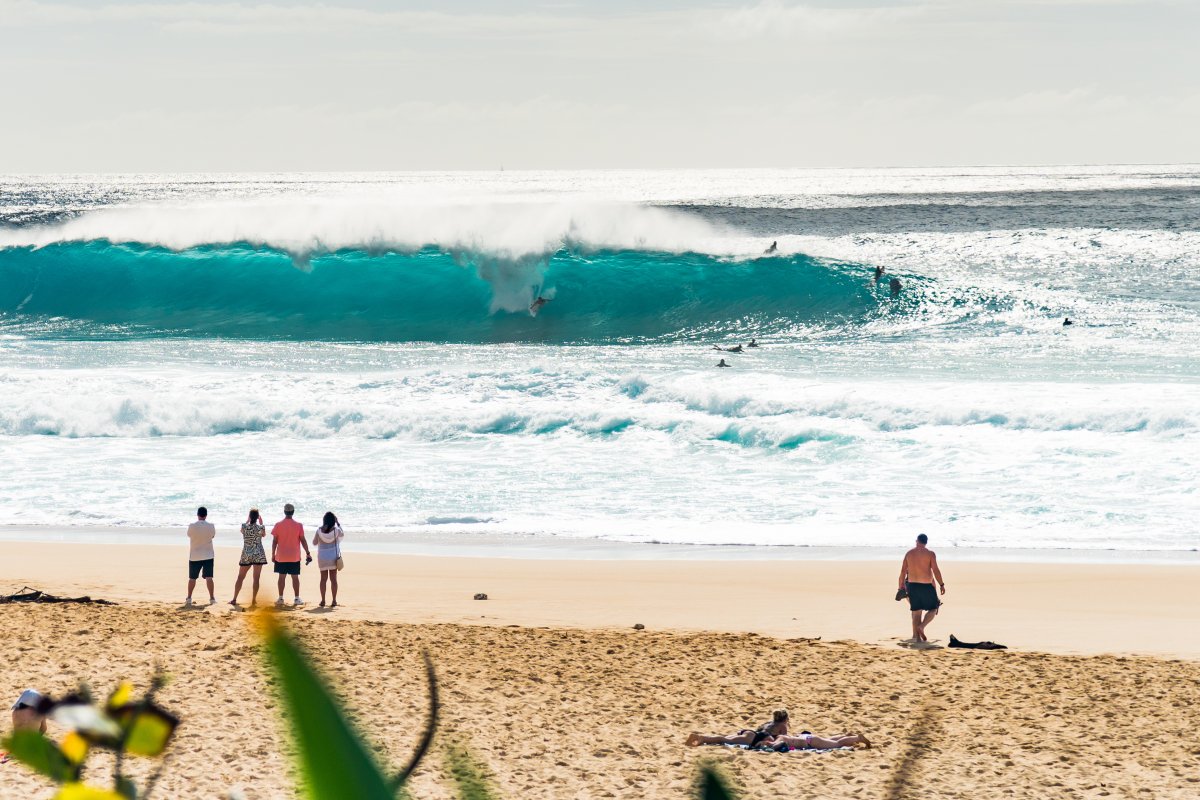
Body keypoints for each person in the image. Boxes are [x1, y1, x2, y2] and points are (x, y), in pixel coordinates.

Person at [899, 533, 945, 643]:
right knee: (934, 608)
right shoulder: (930, 554)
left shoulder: (909, 553)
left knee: (916, 612)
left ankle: (917, 638)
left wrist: (900, 587)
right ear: (926, 542)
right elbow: (935, 570)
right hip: (926, 586)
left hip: (912, 586)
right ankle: (922, 627)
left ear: (917, 541)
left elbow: (903, 572)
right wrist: (941, 584)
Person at [271, 503, 311, 607]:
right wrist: (308, 553)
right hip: (294, 556)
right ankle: (297, 598)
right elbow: (303, 540)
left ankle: (280, 598)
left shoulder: (278, 525)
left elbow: (274, 541)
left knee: (281, 577)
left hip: (281, 556)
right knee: (295, 577)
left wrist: (273, 554)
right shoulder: (299, 525)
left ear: (284, 512)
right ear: (293, 512)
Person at [685, 710, 789, 748]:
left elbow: (759, 730)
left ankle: (702, 738)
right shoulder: (782, 725)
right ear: (785, 719)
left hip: (750, 733)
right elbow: (783, 738)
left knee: (724, 738)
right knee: (724, 740)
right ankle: (702, 738)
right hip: (753, 738)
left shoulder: (769, 723)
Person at [230, 508, 267, 607]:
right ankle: (254, 600)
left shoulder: (244, 526)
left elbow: (242, 531)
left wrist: (247, 520)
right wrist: (261, 523)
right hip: (258, 554)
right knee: (256, 578)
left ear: (250, 516)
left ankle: (234, 599)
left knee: (240, 577)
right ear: (258, 517)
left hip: (247, 554)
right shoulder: (261, 527)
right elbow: (264, 535)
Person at [312, 511, 344, 608]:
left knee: (323, 579)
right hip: (333, 557)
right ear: (333, 521)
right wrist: (338, 523)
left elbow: (314, 543)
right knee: (333, 580)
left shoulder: (319, 531)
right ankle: (334, 600)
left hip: (322, 557)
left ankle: (323, 600)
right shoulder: (336, 531)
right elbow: (342, 535)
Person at [185, 506, 216, 606]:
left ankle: (189, 598)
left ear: (197, 515)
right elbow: (212, 536)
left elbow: (189, 535)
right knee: (209, 578)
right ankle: (212, 598)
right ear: (206, 515)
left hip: (195, 555)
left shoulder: (192, 526)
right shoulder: (211, 526)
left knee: (192, 578)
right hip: (208, 555)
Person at [772, 731, 872, 751]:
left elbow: (775, 745)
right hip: (808, 738)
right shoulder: (784, 736)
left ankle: (858, 738)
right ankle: (846, 737)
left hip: (810, 742)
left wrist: (768, 745)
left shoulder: (780, 738)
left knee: (837, 744)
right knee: (829, 740)